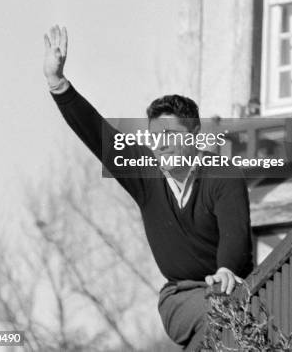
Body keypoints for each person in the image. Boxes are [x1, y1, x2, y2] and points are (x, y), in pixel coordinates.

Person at [43, 25, 253, 351]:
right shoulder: (146, 175)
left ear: (195, 134)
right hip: (182, 295)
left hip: (233, 287)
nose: (161, 145)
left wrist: (226, 269)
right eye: (155, 137)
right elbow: (101, 137)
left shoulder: (223, 174)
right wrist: (59, 85)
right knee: (218, 313)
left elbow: (235, 233)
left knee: (246, 318)